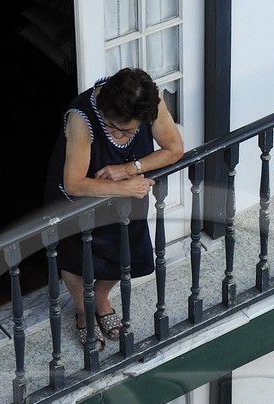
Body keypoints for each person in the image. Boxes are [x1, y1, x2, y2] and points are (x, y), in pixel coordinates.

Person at [47, 68, 184, 347]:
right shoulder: (81, 118)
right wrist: (124, 187)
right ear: (103, 110)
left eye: (130, 130)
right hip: (79, 200)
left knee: (124, 250)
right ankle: (84, 311)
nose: (121, 136)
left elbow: (174, 149)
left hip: (126, 194)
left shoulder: (149, 103)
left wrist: (128, 169)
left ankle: (100, 299)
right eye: (114, 128)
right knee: (76, 258)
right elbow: (74, 183)